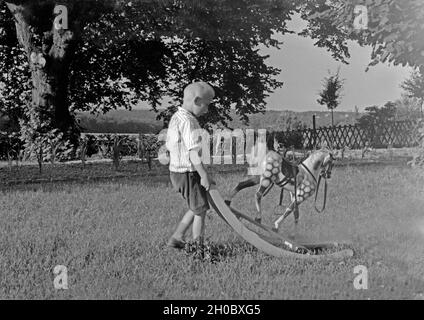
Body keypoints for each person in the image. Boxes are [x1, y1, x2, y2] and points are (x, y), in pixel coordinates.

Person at [165, 81, 215, 249]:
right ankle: (198, 247)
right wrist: (204, 175)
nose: (207, 110)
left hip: (179, 172)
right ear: (197, 101)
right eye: (206, 105)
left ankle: (177, 237)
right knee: (200, 211)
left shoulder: (176, 117)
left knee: (197, 206)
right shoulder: (188, 121)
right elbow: (193, 152)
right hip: (188, 172)